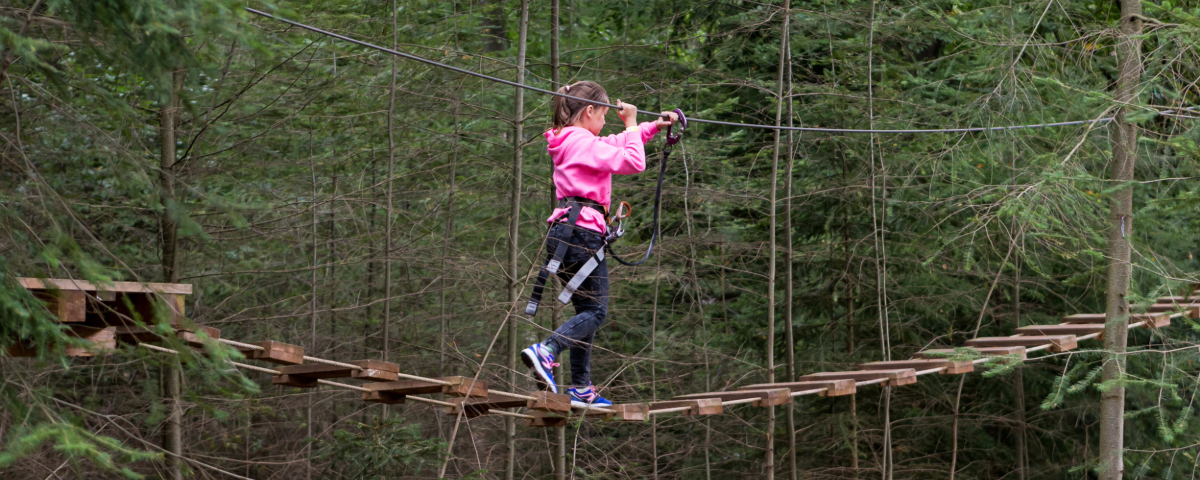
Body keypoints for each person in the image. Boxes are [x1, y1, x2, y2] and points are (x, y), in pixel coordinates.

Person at [521, 81, 678, 408]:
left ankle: (580, 387)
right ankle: (547, 349)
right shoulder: (580, 142)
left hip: (567, 235)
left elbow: (614, 142)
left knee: (585, 314)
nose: (607, 122)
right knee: (595, 311)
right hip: (581, 235)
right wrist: (633, 124)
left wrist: (648, 127)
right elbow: (634, 162)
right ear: (589, 111)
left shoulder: (574, 140)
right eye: (604, 114)